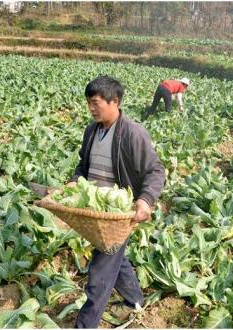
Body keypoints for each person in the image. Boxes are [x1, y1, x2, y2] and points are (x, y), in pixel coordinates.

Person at [69, 75, 166, 328]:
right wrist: (75, 181)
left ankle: (85, 325)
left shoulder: (133, 133)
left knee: (100, 273)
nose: (91, 108)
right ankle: (135, 299)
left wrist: (144, 201)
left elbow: (155, 170)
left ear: (115, 101)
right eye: (89, 103)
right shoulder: (91, 131)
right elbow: (83, 165)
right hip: (96, 212)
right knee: (115, 257)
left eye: (95, 103)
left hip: (117, 215)